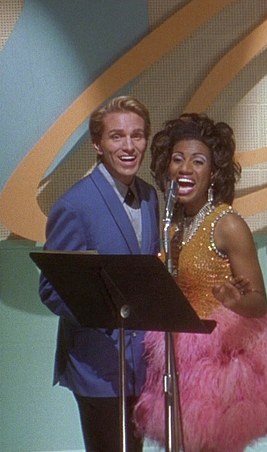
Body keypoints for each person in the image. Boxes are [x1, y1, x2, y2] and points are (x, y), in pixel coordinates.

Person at [133, 113, 267, 451]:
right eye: (177, 159)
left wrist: (234, 301)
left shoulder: (227, 225)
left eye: (198, 161)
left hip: (217, 370)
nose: (185, 168)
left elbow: (258, 302)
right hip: (176, 363)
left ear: (213, 173)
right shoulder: (172, 225)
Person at [38, 95, 158, 451]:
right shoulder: (75, 205)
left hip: (142, 367)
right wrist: (103, 316)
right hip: (98, 367)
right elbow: (51, 288)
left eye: (137, 135)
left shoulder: (150, 197)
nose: (129, 146)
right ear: (97, 144)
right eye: (116, 136)